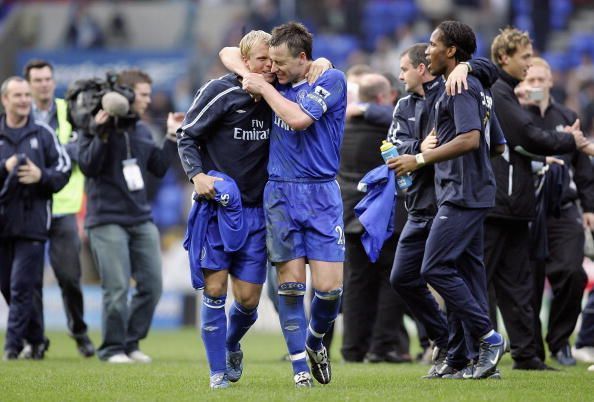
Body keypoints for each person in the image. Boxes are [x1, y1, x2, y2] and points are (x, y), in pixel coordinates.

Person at [390, 20, 507, 380]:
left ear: (451, 50)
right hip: (465, 190)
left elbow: (471, 139)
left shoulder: (460, 87)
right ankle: (461, 357)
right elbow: (496, 144)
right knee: (468, 274)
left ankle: (488, 338)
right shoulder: (468, 82)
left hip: (462, 195)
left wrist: (420, 159)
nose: (428, 50)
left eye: (434, 45)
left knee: (435, 268)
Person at [240, 22, 347, 387]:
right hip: (282, 193)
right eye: (270, 62)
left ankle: (316, 341)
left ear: (304, 58)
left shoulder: (331, 80)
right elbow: (228, 54)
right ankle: (300, 370)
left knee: (330, 290)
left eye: (281, 63)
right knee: (289, 286)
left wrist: (264, 90)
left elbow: (299, 119)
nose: (274, 69)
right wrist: (253, 76)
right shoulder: (277, 79)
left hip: (321, 194)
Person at [177, 30, 275, 390]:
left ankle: (232, 343)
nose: (270, 65)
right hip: (217, 209)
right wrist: (196, 174)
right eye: (263, 59)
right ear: (246, 62)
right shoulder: (218, 92)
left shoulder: (277, 93)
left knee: (248, 300)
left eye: (273, 59)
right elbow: (187, 135)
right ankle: (217, 373)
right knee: (215, 291)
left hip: (257, 211)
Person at [486, 27, 586, 370]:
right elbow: (527, 137)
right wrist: (568, 142)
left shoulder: (552, 111)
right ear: (505, 58)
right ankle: (469, 350)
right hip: (501, 204)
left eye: (534, 61)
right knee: (490, 282)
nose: (530, 67)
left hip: (524, 207)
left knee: (522, 284)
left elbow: (530, 143)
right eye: (525, 58)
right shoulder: (500, 94)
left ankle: (530, 354)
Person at [78, 69, 181, 364]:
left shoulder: (141, 130)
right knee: (118, 286)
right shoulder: (96, 124)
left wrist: (172, 136)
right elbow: (88, 165)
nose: (149, 100)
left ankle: (130, 342)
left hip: (140, 217)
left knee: (152, 284)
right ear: (126, 94)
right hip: (106, 218)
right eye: (144, 94)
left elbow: (158, 168)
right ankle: (111, 348)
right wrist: (100, 132)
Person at [518, 57, 594, 365]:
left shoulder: (567, 116)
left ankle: (560, 341)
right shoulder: (516, 116)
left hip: (563, 208)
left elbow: (583, 167)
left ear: (550, 81)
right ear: (523, 83)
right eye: (530, 80)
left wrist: (589, 207)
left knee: (572, 273)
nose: (535, 85)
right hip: (527, 207)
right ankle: (532, 347)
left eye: (540, 79)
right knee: (529, 282)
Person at [339, 72, 412, 364]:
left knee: (356, 284)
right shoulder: (391, 129)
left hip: (351, 214)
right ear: (384, 97)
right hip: (385, 215)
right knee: (390, 281)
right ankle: (382, 347)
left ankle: (352, 349)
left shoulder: (342, 129)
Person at [24, 59, 95, 358]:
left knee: (69, 277)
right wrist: (59, 153)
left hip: (64, 205)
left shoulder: (69, 110)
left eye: (47, 79)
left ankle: (78, 331)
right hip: (28, 206)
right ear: (28, 84)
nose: (43, 83)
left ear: (53, 81)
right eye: (37, 79)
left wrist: (42, 154)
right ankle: (35, 340)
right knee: (28, 280)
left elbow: (80, 150)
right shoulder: (18, 113)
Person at [0, 76, 71, 360]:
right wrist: (4, 167)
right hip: (2, 223)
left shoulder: (43, 133)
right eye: (17, 95)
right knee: (8, 287)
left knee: (20, 287)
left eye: (26, 95)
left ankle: (12, 347)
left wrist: (42, 176)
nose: (24, 100)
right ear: (5, 100)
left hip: (32, 224)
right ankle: (37, 338)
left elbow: (64, 169)